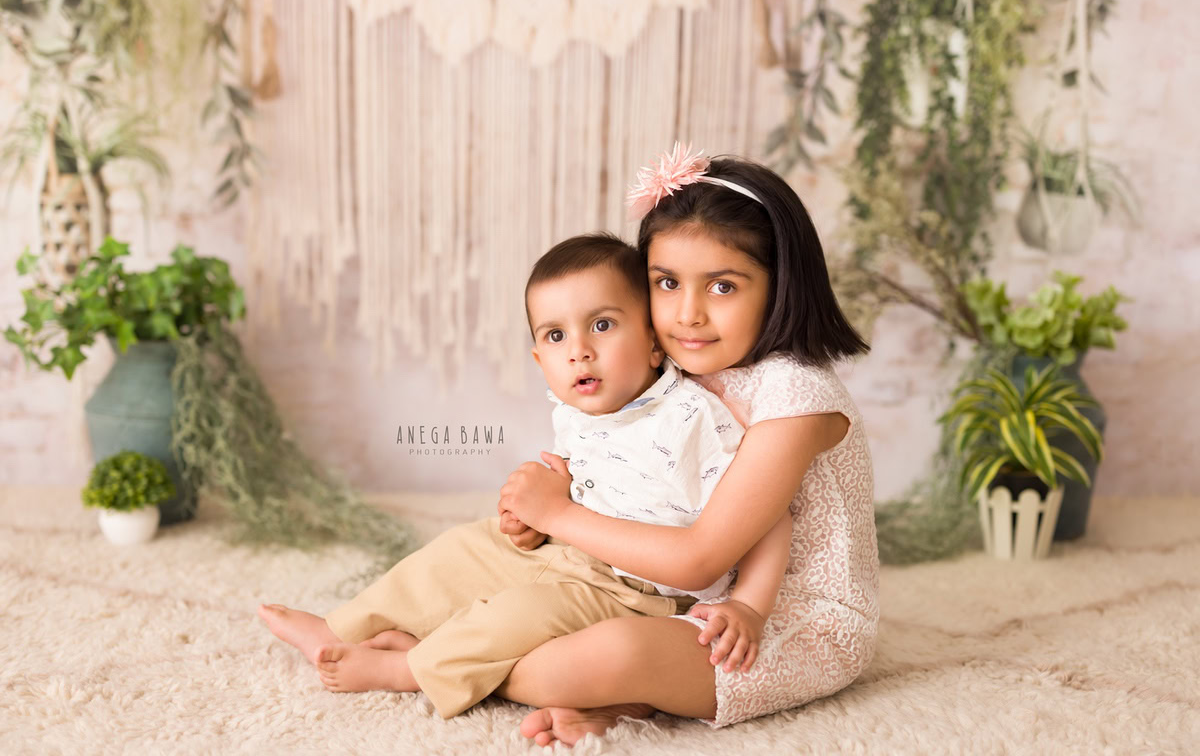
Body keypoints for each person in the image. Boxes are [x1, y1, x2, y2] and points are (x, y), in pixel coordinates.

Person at [256, 231, 794, 719]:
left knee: (515, 615)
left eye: (602, 325)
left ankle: (410, 668)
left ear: (654, 341)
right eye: (556, 336)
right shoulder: (577, 411)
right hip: (566, 548)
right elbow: (576, 489)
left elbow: (765, 516)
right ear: (540, 361)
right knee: (458, 552)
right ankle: (343, 627)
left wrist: (749, 604)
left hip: (632, 590)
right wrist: (528, 523)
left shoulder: (693, 418)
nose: (579, 350)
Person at [489, 144, 879, 747]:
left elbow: (700, 559)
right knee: (495, 584)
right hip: (668, 596)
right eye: (667, 283)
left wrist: (560, 515)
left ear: (779, 286)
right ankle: (624, 697)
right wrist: (557, 490)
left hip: (772, 621)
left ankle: (465, 667)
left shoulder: (797, 397)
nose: (688, 314)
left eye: (723, 286)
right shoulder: (680, 365)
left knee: (588, 655)